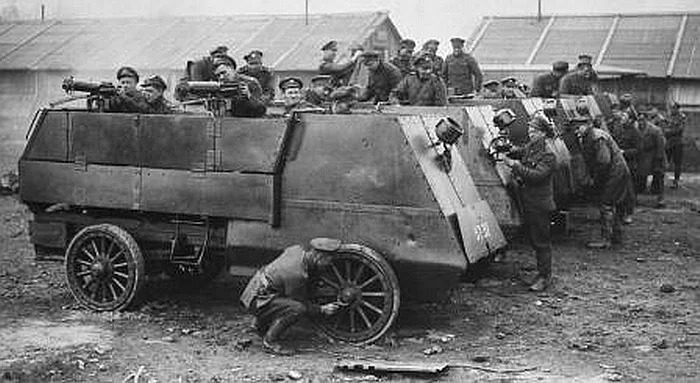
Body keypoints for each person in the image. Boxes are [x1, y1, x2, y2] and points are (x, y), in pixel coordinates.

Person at [240, 238, 342, 355]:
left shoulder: (297, 250)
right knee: (296, 309)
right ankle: (270, 342)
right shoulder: (297, 275)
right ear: (318, 257)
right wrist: (322, 309)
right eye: (328, 260)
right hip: (256, 299)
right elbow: (301, 303)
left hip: (254, 289)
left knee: (281, 294)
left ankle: (260, 324)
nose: (329, 264)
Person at [502, 113, 557, 292]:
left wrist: (515, 165)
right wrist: (506, 148)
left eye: (534, 131)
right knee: (535, 240)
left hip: (539, 204)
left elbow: (537, 176)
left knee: (542, 241)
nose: (530, 133)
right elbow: (520, 151)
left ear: (542, 133)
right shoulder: (533, 146)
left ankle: (545, 277)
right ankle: (541, 272)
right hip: (530, 201)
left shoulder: (548, 154)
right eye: (529, 130)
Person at [577, 114, 634, 248]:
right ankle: (616, 235)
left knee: (606, 203)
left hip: (615, 173)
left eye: (578, 126)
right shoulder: (592, 135)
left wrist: (596, 180)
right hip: (617, 170)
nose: (576, 130)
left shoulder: (596, 137)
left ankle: (606, 239)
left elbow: (604, 160)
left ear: (587, 125)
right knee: (615, 203)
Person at [609, 110, 642, 223]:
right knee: (619, 190)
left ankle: (629, 214)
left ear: (631, 119)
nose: (621, 117)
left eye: (624, 116)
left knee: (629, 191)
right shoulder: (620, 129)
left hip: (630, 164)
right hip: (619, 165)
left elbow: (638, 150)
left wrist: (624, 152)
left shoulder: (634, 132)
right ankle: (620, 213)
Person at [636, 106, 668, 208]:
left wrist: (659, 160)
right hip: (642, 157)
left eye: (643, 120)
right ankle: (635, 198)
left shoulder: (655, 130)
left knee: (659, 178)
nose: (641, 122)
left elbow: (660, 145)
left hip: (655, 156)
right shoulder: (635, 129)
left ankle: (661, 200)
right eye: (639, 120)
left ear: (647, 119)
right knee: (637, 178)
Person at [664, 102, 686, 189]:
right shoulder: (669, 116)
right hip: (668, 143)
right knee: (665, 162)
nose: (672, 110)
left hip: (678, 143)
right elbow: (664, 126)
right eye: (671, 108)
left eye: (673, 108)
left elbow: (679, 130)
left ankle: (676, 181)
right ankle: (661, 180)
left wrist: (668, 132)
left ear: (677, 109)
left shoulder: (682, 117)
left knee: (677, 163)